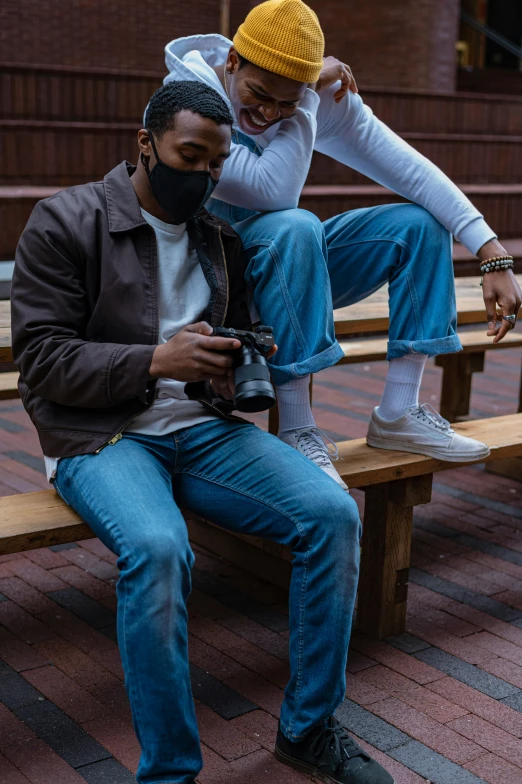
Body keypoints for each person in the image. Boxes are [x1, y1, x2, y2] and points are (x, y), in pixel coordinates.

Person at [11, 81, 394, 784]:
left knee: (334, 516)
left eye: (217, 164)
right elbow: (41, 361)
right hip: (103, 436)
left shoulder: (219, 238)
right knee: (159, 550)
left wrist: (226, 367)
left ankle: (308, 730)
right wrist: (157, 360)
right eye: (190, 156)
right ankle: (170, 773)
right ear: (145, 143)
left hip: (202, 429)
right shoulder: (66, 221)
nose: (205, 176)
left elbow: (245, 330)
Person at [163, 0, 522, 489]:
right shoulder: (188, 101)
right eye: (259, 94)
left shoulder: (306, 99)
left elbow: (410, 169)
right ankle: (297, 429)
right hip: (209, 287)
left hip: (288, 273)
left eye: (286, 103)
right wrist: (306, 99)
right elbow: (274, 191)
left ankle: (400, 411)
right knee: (295, 224)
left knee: (419, 224)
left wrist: (490, 251)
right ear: (233, 62)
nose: (269, 115)